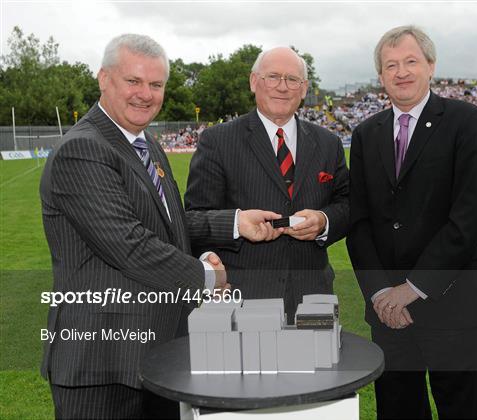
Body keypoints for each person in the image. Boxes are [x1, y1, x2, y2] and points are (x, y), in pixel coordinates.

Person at [40, 34, 277, 419]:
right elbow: (130, 245)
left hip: (157, 355)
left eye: (156, 84)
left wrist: (235, 222)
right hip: (103, 364)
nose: (145, 94)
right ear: (103, 78)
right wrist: (207, 277)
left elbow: (167, 224)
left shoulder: (146, 143)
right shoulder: (83, 149)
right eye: (133, 81)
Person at [346, 26, 477, 419]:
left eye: (411, 61)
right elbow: (358, 221)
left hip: (451, 303)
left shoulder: (466, 120)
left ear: (430, 66)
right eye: (390, 65)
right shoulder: (364, 134)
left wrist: (412, 288)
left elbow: (471, 215)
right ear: (380, 76)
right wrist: (379, 292)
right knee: (397, 409)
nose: (401, 72)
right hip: (388, 313)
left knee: (465, 409)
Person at [185, 47, 349, 323]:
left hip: (312, 296)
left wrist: (324, 220)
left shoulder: (327, 143)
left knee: (318, 366)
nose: (282, 87)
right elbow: (193, 219)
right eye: (272, 77)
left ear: (304, 88)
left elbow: (348, 204)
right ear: (253, 82)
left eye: (292, 79)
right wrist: (237, 223)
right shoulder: (217, 141)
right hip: (244, 297)